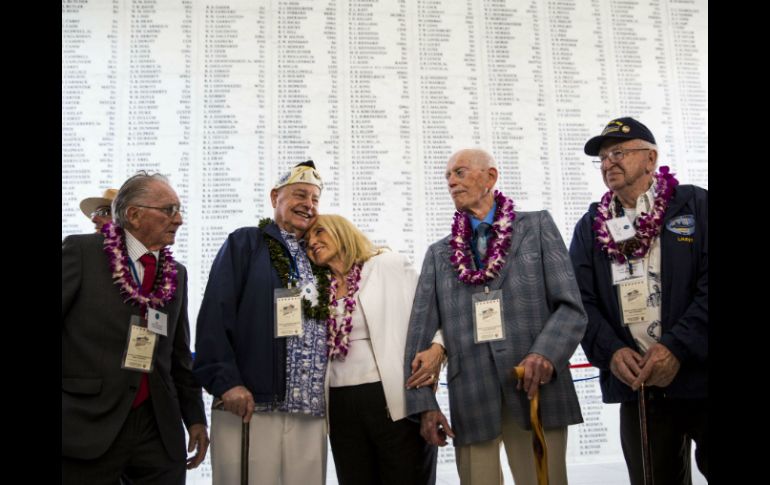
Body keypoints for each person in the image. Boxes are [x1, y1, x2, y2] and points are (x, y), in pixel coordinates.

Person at [404, 148, 587, 485]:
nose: (451, 182)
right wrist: (424, 406)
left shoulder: (538, 226)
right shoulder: (438, 254)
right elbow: (418, 336)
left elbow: (571, 307)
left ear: (490, 177)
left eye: (459, 172)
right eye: (447, 177)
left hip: (534, 388)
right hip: (471, 397)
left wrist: (544, 353)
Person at [569, 117, 708, 484]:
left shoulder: (694, 205)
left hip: (701, 372)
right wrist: (612, 352)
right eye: (601, 158)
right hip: (640, 386)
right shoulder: (590, 226)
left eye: (617, 153)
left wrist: (676, 348)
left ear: (651, 159)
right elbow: (581, 302)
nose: (607, 163)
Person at [62, 172, 209, 484]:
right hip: (88, 423)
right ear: (133, 214)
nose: (179, 219)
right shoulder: (82, 253)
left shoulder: (176, 274)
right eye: (169, 209)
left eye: (179, 209)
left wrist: (195, 418)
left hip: (157, 425)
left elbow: (179, 356)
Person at [194, 161, 331, 484]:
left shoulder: (321, 255)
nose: (308, 205)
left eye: (314, 199)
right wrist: (226, 382)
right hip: (251, 402)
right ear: (274, 197)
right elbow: (215, 313)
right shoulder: (246, 244)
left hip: (310, 409)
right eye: (300, 194)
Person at [305, 214, 442, 485]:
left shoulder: (386, 265)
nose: (312, 242)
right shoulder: (315, 290)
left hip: (394, 397)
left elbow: (437, 309)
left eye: (319, 232)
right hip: (339, 404)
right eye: (307, 240)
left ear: (342, 231)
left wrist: (439, 348)